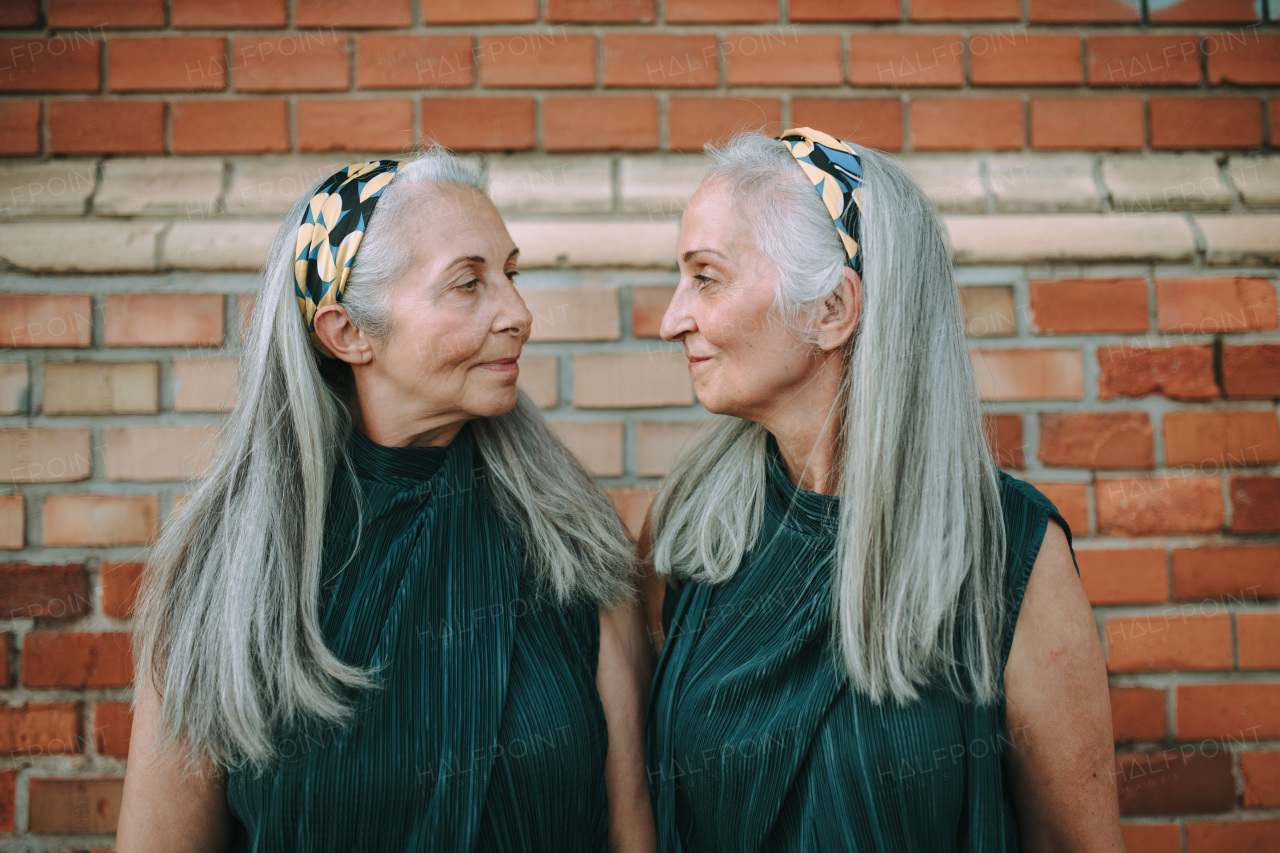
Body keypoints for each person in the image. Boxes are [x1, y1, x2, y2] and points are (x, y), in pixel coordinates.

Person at [116, 148, 656, 851]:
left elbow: (633, 823)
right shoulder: (228, 570)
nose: (519, 312)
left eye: (510, 273)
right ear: (349, 333)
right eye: (468, 283)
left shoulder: (571, 538)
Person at [638, 127, 1126, 851]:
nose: (673, 319)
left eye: (706, 277)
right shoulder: (692, 531)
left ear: (832, 309)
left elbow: (1074, 841)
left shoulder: (1007, 551)